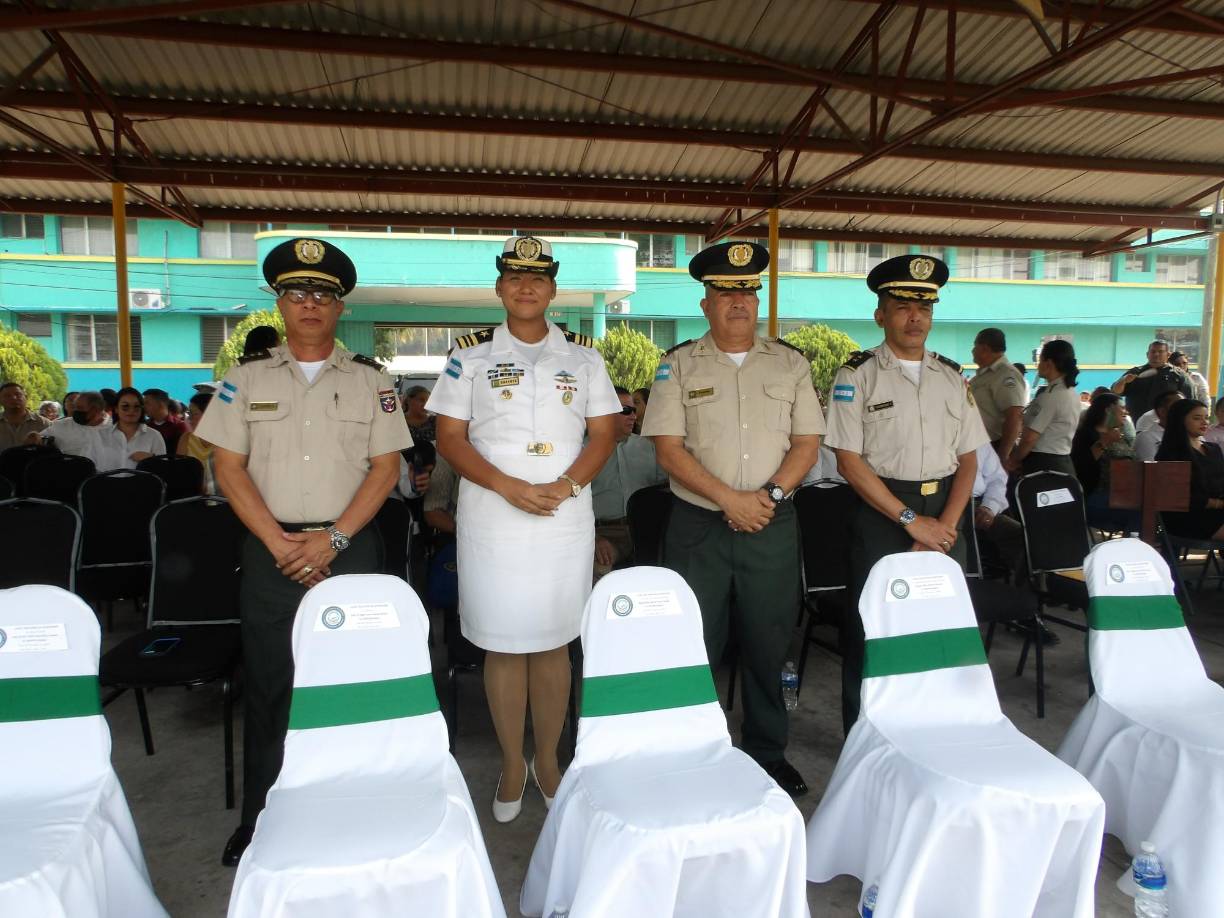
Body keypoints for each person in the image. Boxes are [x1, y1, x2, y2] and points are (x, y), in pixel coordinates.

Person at [197, 237, 410, 866]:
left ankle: (359, 804)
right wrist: (276, 541)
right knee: (270, 684)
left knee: (358, 681)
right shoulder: (241, 382)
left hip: (350, 546)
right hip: (272, 549)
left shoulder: (372, 382)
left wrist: (334, 539)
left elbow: (385, 467)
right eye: (297, 292)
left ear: (340, 306)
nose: (310, 303)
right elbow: (228, 469)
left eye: (323, 294)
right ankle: (263, 817)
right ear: (279, 304)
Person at [427, 235, 619, 822]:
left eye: (537, 278)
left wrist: (565, 486)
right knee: (505, 644)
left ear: (553, 289)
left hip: (564, 518)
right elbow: (449, 438)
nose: (526, 286)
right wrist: (506, 485)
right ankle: (513, 762)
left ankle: (549, 758)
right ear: (500, 287)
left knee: (557, 641)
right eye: (514, 277)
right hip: (494, 517)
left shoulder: (585, 357)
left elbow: (605, 433)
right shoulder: (470, 356)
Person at [643, 240, 823, 796]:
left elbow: (808, 442)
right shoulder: (676, 365)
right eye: (725, 291)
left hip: (771, 523)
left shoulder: (791, 363)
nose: (737, 301)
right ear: (706, 303)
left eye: (746, 290)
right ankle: (694, 749)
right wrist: (729, 499)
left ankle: (768, 753)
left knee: (769, 642)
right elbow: (668, 449)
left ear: (757, 299)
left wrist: (765, 496)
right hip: (700, 528)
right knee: (695, 643)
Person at [825, 254, 987, 735]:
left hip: (946, 513)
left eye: (924, 307)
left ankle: (939, 725)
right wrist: (912, 522)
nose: (915, 317)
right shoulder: (855, 376)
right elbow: (849, 462)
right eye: (902, 306)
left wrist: (944, 529)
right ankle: (864, 732)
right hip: (881, 512)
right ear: (881, 315)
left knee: (941, 623)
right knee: (873, 628)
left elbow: (970, 461)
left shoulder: (953, 378)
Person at [590, 387, 666, 577]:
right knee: (600, 567)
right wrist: (594, 538)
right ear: (604, 413)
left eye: (634, 410)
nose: (633, 416)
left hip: (647, 530)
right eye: (626, 410)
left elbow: (666, 489)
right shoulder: (584, 452)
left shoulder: (649, 447)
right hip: (605, 532)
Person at [1006, 339, 1081, 477]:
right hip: (1063, 463)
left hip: (1043, 464)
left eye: (1040, 361)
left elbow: (1030, 438)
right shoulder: (1072, 393)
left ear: (1049, 363)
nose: (1038, 366)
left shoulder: (1050, 397)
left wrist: (1013, 460)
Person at [1071, 392, 1140, 533]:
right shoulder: (1085, 435)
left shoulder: (1120, 435)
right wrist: (1104, 442)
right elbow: (1081, 467)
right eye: (1122, 407)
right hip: (1097, 496)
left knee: (1154, 507)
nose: (1125, 411)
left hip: (1124, 495)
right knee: (1141, 512)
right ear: (1107, 410)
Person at [1156, 399, 1224, 540]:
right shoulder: (1170, 453)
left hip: (1217, 512)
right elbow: (1177, 496)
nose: (1204, 422)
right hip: (1189, 517)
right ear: (1180, 420)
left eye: (1206, 418)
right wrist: (1217, 503)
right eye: (1197, 418)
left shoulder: (1213, 449)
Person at [969, 327, 1025, 463]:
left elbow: (1014, 416)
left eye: (975, 346)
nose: (972, 350)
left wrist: (1003, 455)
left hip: (994, 447)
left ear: (985, 348)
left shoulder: (1006, 375)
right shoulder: (983, 375)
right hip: (977, 446)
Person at [1111, 339, 1191, 418]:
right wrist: (1123, 381)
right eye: (1153, 351)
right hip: (1137, 423)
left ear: (1168, 355)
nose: (1156, 354)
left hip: (1166, 424)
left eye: (1160, 351)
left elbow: (1189, 401)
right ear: (1147, 354)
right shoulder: (1135, 372)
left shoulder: (1179, 375)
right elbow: (1115, 392)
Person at [96, 387, 166, 470]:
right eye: (125, 406)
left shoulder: (154, 436)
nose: (131, 410)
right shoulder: (99, 435)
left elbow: (163, 469)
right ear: (116, 409)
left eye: (136, 406)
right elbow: (90, 467)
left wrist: (152, 459)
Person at [41, 390, 109, 462]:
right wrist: (34, 436)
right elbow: (39, 438)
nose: (75, 411)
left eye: (79, 408)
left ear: (95, 409)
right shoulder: (62, 425)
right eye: (75, 407)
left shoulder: (116, 427)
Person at [177, 391, 217, 495]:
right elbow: (180, 473)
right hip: (192, 496)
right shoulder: (186, 439)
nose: (189, 419)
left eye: (194, 414)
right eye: (189, 413)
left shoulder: (226, 441)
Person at [1135, 390, 1182, 461]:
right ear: (1162, 412)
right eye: (1179, 407)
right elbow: (1152, 469)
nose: (1185, 410)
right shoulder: (1146, 437)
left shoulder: (1193, 435)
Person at [0, 381, 49, 450]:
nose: (14, 398)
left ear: (26, 397)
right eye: (7, 396)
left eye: (18, 394)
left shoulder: (44, 424)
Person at [142, 387, 190, 454]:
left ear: (161, 405)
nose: (143, 406)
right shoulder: (145, 426)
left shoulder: (179, 426)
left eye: (147, 403)